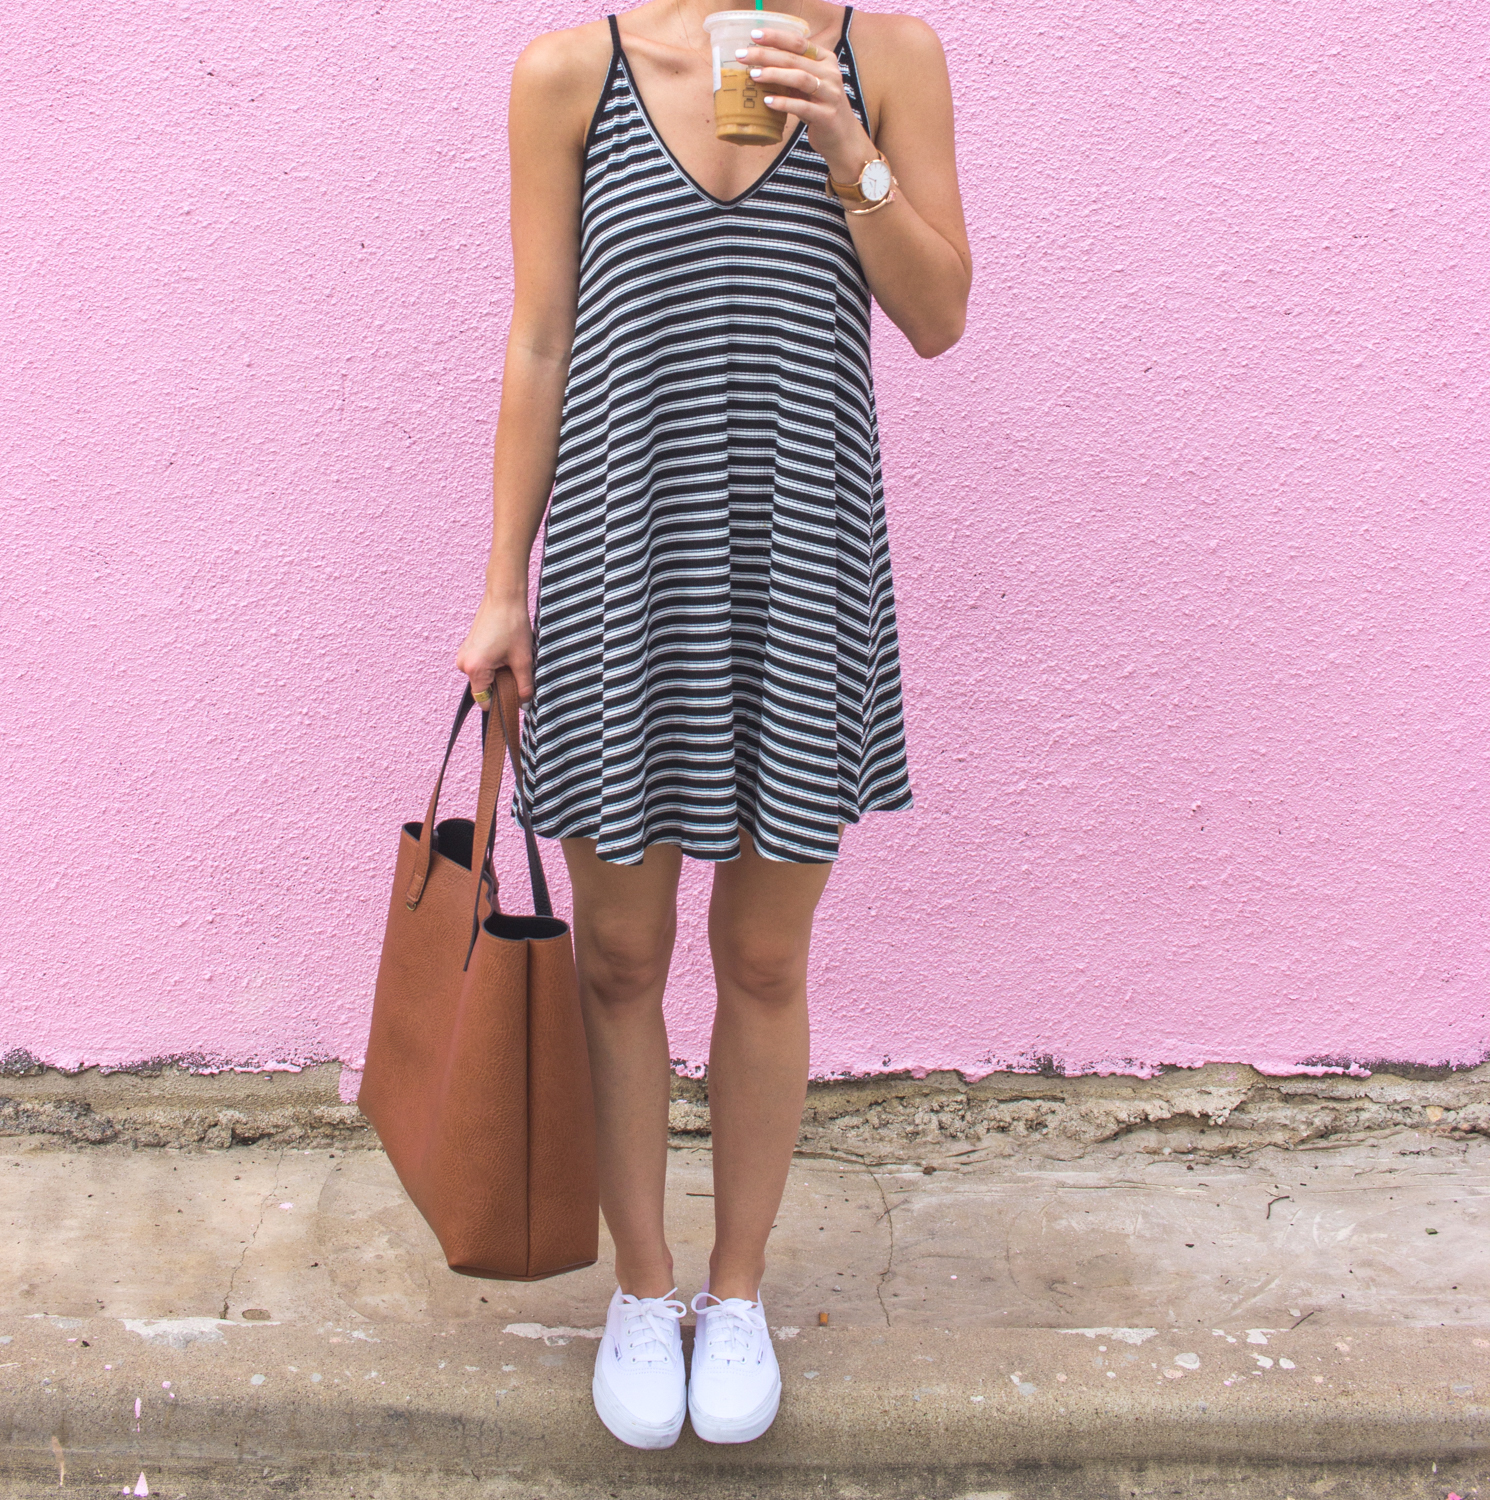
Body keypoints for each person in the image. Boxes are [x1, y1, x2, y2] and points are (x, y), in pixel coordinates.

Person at [456, 0, 969, 1450]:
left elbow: (936, 317)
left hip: (800, 564)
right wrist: (504, 588)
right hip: (625, 567)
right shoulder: (571, 73)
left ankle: (733, 1296)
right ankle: (641, 1286)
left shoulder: (892, 57)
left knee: (759, 954)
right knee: (618, 957)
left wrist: (846, 141)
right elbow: (541, 336)